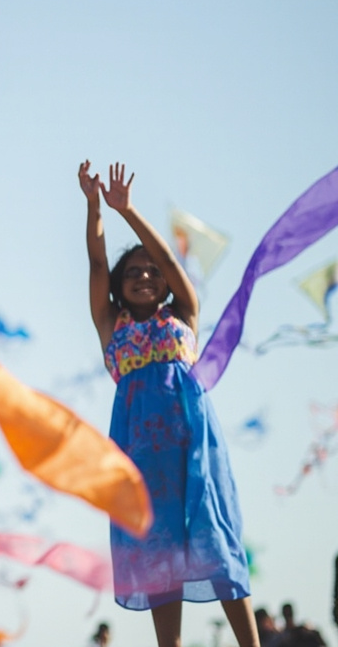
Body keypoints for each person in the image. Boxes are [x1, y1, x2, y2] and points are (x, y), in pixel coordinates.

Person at [79, 162, 257, 647]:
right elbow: (97, 265)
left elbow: (173, 265)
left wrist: (129, 211)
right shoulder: (110, 325)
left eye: (151, 271)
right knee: (160, 555)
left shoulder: (184, 313)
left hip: (194, 443)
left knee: (215, 539)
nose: (143, 276)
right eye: (132, 272)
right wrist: (95, 209)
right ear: (118, 287)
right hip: (141, 453)